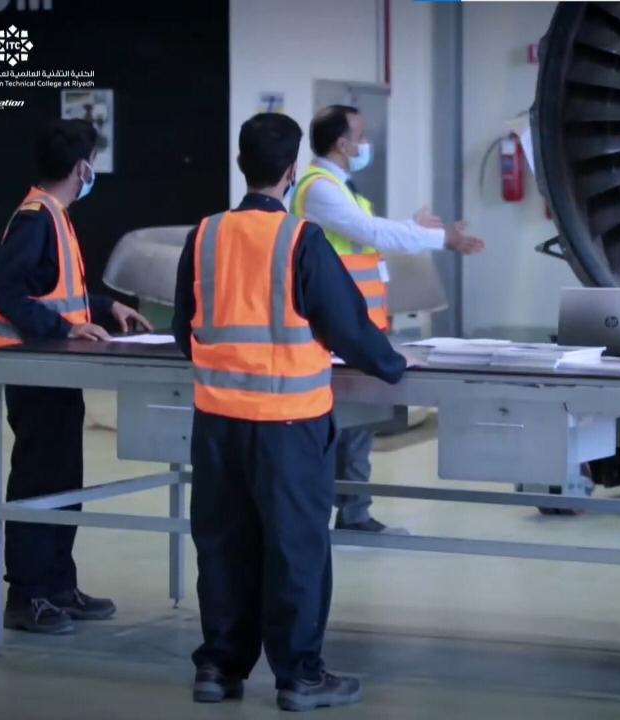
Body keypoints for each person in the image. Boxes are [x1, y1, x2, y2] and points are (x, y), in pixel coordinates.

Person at [173, 112, 409, 711]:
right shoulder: (300, 240)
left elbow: (183, 329)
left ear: (241, 164)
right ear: (291, 170)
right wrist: (392, 365)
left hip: (216, 422)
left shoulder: (204, 236)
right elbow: (348, 326)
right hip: (289, 423)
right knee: (295, 548)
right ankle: (300, 677)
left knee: (223, 545)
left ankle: (218, 668)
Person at [0, 119, 152, 635]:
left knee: (62, 480)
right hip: (33, 369)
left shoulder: (54, 216)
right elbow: (8, 293)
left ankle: (58, 586)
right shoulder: (36, 218)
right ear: (82, 168)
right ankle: (26, 596)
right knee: (38, 481)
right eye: (93, 163)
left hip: (55, 368)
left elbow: (56, 292)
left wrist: (106, 308)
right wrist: (64, 328)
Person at [291, 104, 484, 535]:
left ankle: (354, 512)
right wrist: (440, 237)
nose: (366, 144)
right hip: (331, 328)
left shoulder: (340, 187)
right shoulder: (319, 188)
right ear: (342, 144)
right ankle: (332, 513)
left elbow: (368, 230)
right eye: (360, 136)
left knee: (356, 424)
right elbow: (372, 233)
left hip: (354, 324)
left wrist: (413, 227)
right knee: (335, 427)